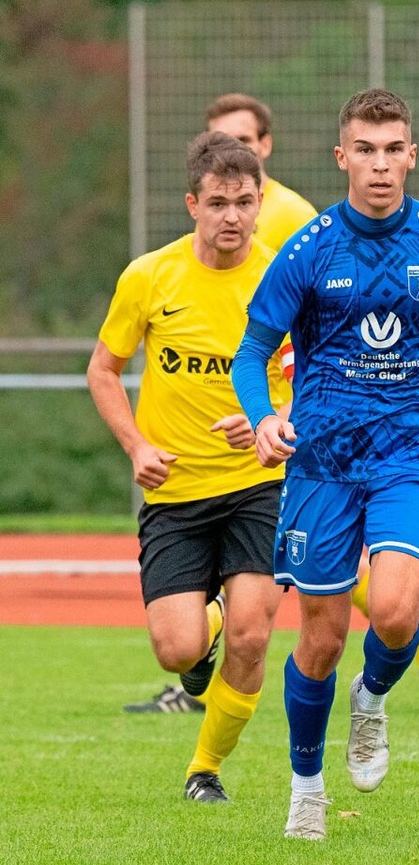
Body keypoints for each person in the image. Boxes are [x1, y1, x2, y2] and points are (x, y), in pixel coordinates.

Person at [126, 92, 419, 716]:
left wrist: (276, 413)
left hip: (308, 429)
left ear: (266, 148)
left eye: (246, 142)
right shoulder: (201, 232)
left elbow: (308, 338)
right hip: (242, 430)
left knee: (322, 575)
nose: (234, 203)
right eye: (221, 140)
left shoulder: (293, 220)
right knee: (320, 572)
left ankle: (418, 646)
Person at [232, 88, 419, 840]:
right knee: (319, 640)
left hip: (411, 453)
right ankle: (306, 786)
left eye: (393, 151)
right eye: (366, 150)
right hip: (322, 460)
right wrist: (263, 421)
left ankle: (374, 699)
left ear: (411, 155)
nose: (380, 166)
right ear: (341, 156)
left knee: (391, 611)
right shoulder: (310, 248)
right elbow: (251, 353)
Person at [87, 131, 291, 804]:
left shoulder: (284, 279)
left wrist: (270, 419)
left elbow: (314, 378)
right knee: (176, 651)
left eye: (243, 202)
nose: (231, 216)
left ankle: (204, 770)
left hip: (259, 484)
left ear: (260, 202)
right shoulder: (149, 276)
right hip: (175, 490)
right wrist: (137, 448)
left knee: (253, 634)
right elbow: (104, 371)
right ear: (192, 205)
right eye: (217, 203)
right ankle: (200, 637)